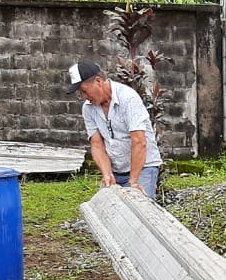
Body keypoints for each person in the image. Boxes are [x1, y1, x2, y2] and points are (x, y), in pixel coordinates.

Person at [66, 61, 163, 200]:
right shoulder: (88, 108)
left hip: (143, 168)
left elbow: (139, 141)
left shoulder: (128, 98)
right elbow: (97, 145)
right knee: (105, 207)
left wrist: (134, 182)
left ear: (98, 81)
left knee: (138, 207)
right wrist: (107, 174)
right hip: (116, 170)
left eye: (84, 91)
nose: (83, 97)